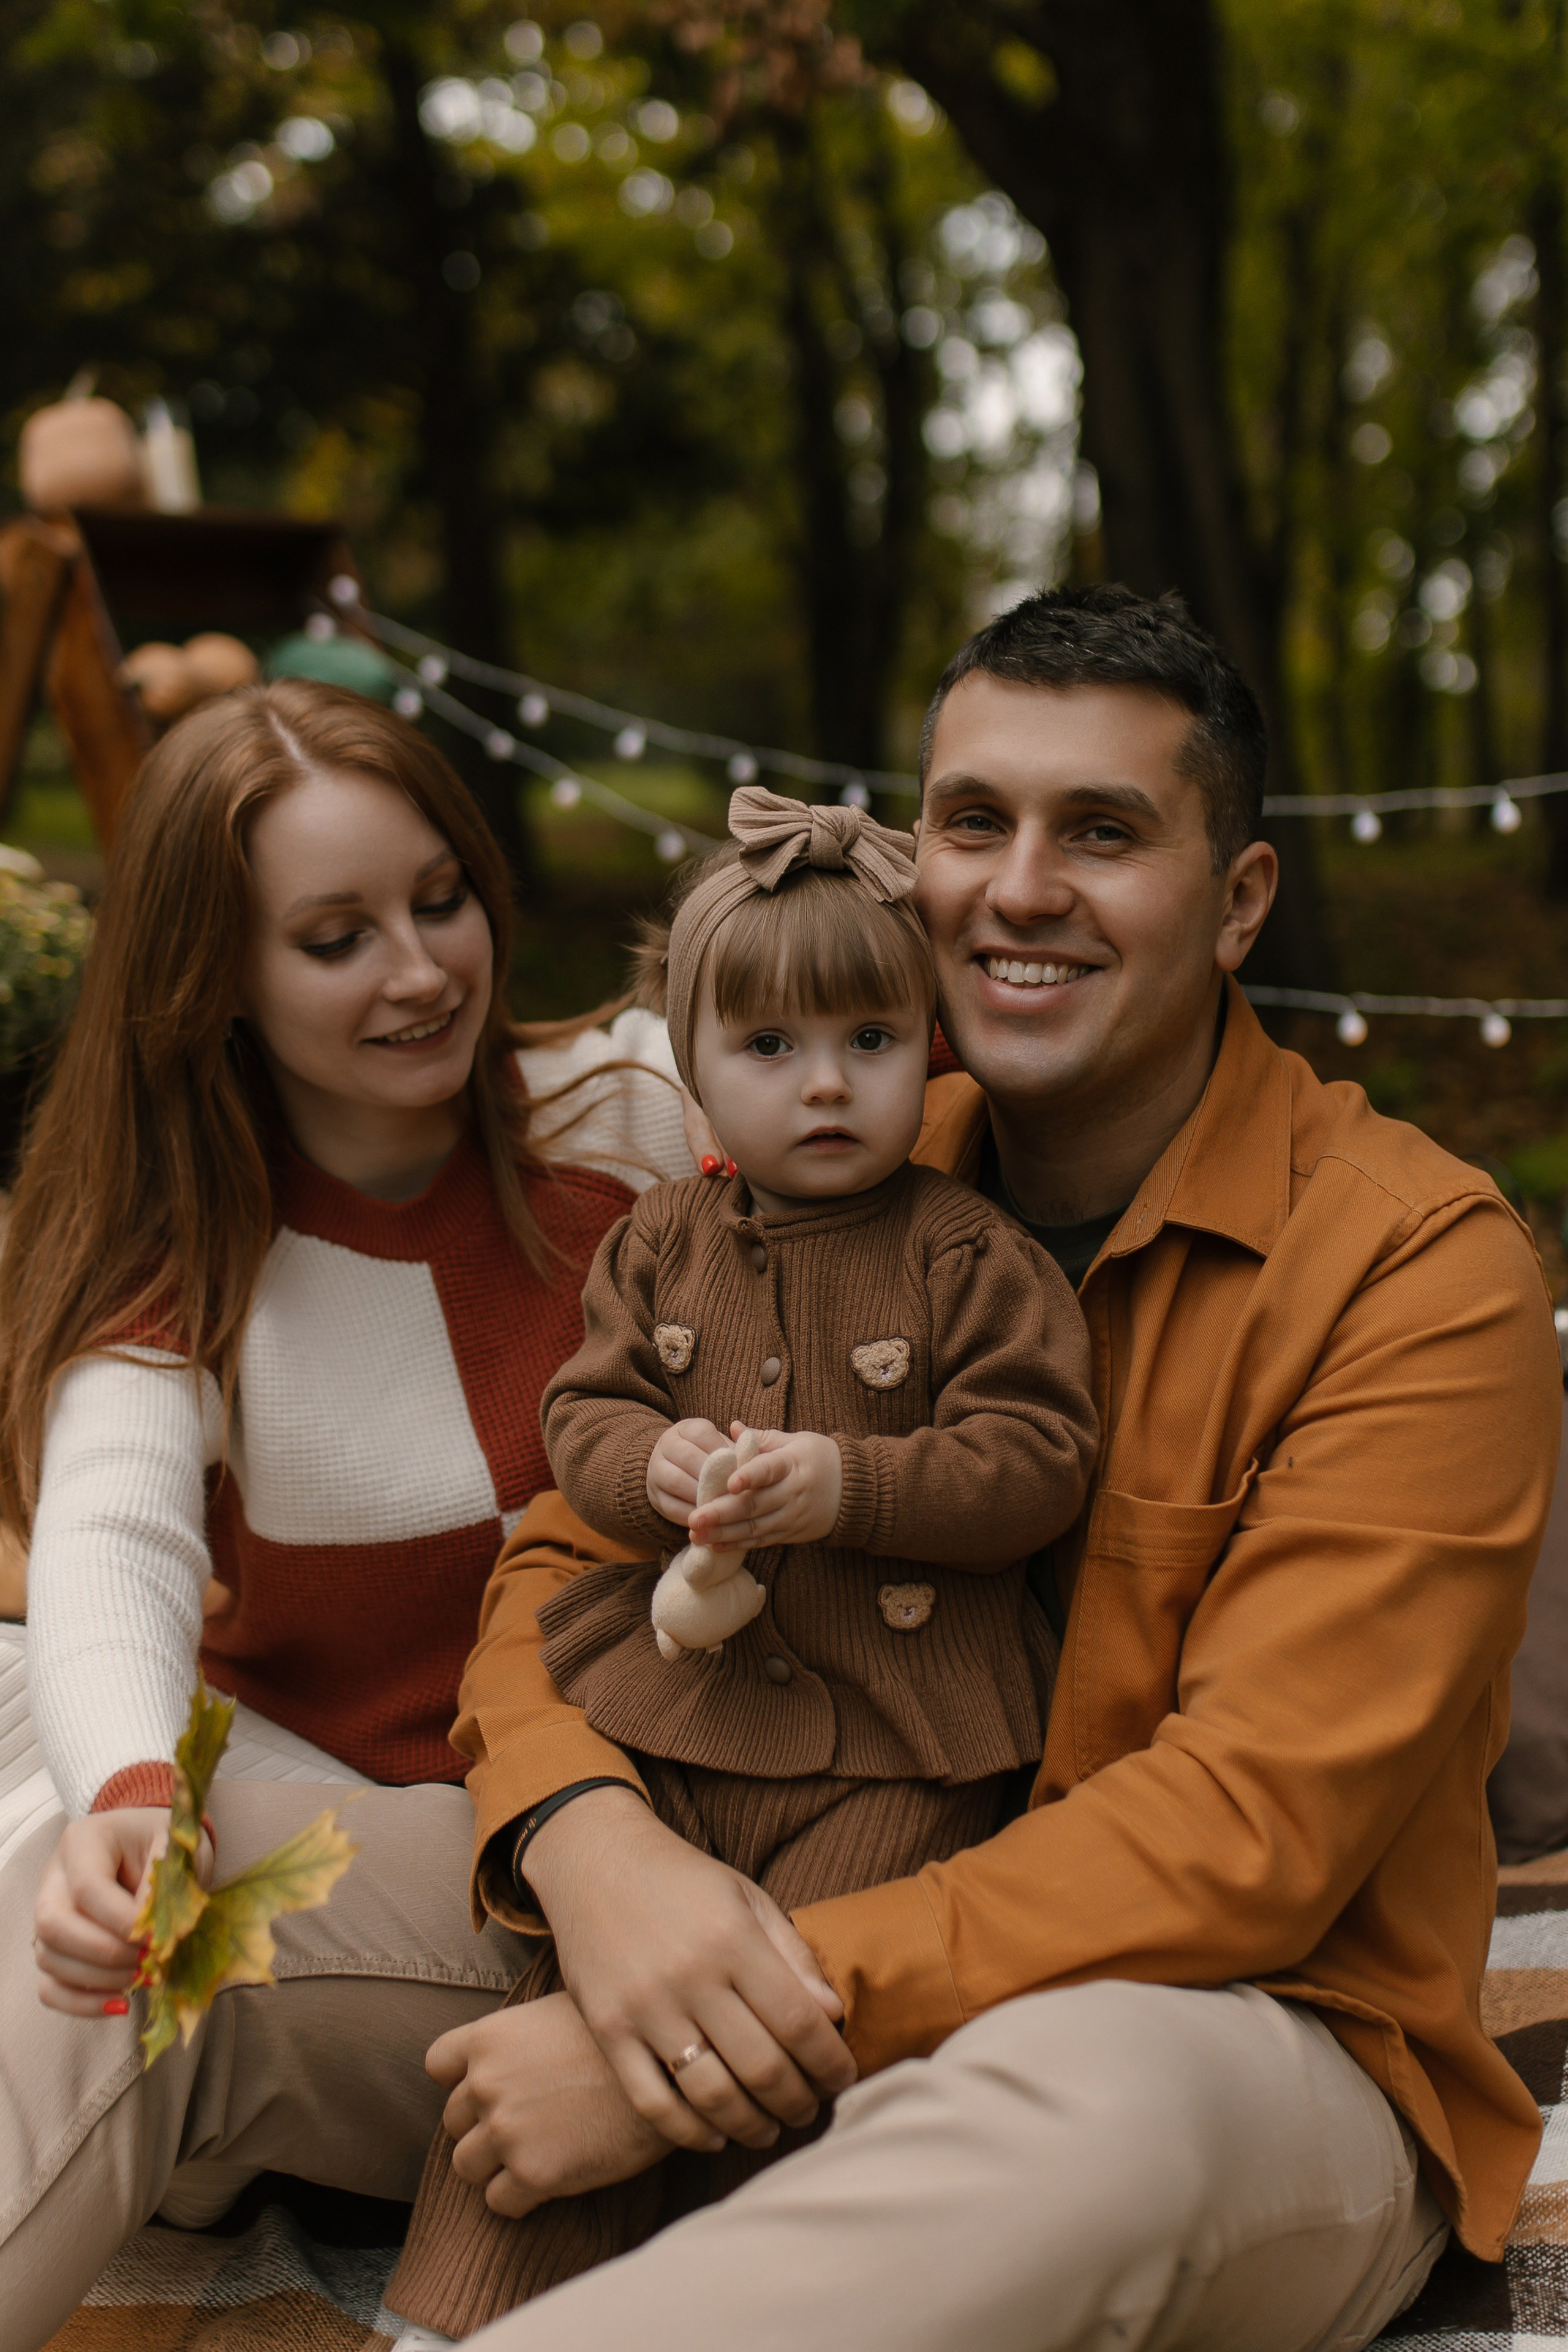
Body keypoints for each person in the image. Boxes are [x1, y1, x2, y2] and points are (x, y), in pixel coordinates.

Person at [401, 586, 1561, 2352]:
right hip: (732, 1876)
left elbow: (1248, 1836)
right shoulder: (819, 1161)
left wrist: (729, 2013)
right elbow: (565, 1561)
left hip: (1227, 2030)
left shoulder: (1415, 1265)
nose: (1021, 888)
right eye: (974, 822)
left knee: (1086, 2108)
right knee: (184, 1913)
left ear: (1241, 901)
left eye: (1103, 832)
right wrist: (590, 1849)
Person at [0, 679, 695, 2348]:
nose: (419, 970)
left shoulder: (641, 1123)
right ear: (215, 981)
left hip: (588, 1905)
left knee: (181, 1897)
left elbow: (895, 1026)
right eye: (335, 938)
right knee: (96, 1817)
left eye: (438, 899)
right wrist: (124, 1791)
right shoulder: (186, 1248)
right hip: (356, 1861)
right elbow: (111, 1544)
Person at [386, 787, 1096, 2331]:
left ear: (932, 1045)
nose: (824, 1086)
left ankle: (700, 2303)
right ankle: (441, 2319)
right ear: (691, 1075)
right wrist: (663, 1465)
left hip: (899, 1745)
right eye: (768, 1050)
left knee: (768, 2039)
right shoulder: (658, 1239)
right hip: (680, 1711)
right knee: (563, 2010)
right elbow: (582, 1417)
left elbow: (1035, 1462)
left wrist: (844, 1484)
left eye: (870, 1040)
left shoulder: (972, 1256)